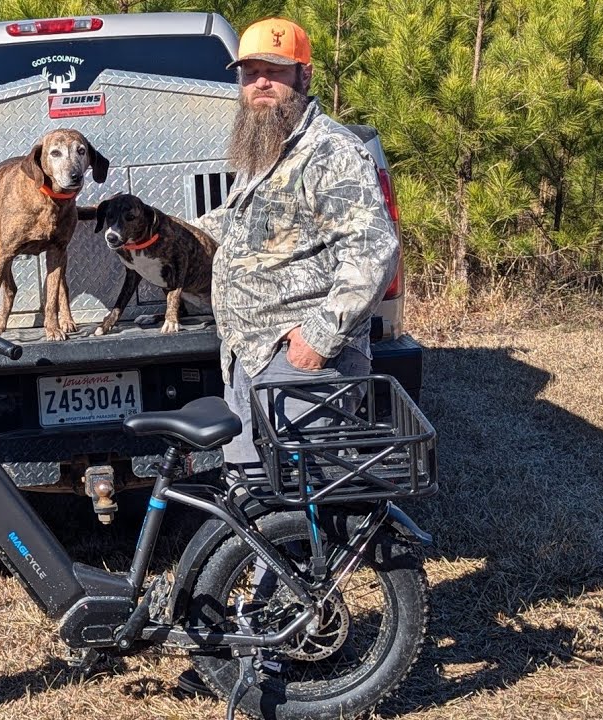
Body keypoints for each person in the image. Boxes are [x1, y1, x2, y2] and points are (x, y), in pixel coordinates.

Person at [178, 16, 400, 697]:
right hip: (251, 358)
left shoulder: (332, 153)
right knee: (254, 503)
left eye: (274, 73)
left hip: (299, 362)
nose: (259, 85)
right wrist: (169, 233)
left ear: (304, 77)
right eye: (250, 74)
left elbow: (374, 251)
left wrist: (318, 339)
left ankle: (273, 658)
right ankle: (246, 641)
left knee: (286, 506)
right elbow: (249, 233)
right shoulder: (265, 149)